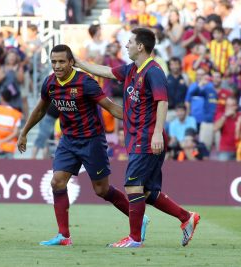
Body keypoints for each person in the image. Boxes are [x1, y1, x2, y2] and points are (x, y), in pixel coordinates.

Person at [75, 27, 200, 248]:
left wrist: (158, 133)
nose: (126, 45)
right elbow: (106, 71)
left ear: (140, 46)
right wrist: (79, 63)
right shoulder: (132, 69)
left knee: (133, 186)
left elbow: (162, 101)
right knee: (148, 192)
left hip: (148, 136)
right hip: (138, 137)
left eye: (130, 41)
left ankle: (134, 239)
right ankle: (186, 217)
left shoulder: (153, 71)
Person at [17, 44, 149, 246]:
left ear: (71, 62)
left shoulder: (85, 82)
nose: (57, 66)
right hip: (68, 141)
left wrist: (139, 120)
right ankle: (64, 236)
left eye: (62, 61)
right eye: (54, 62)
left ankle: (137, 216)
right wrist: (24, 132)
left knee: (101, 190)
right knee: (57, 182)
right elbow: (40, 110)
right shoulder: (50, 83)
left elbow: (110, 107)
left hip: (92, 141)